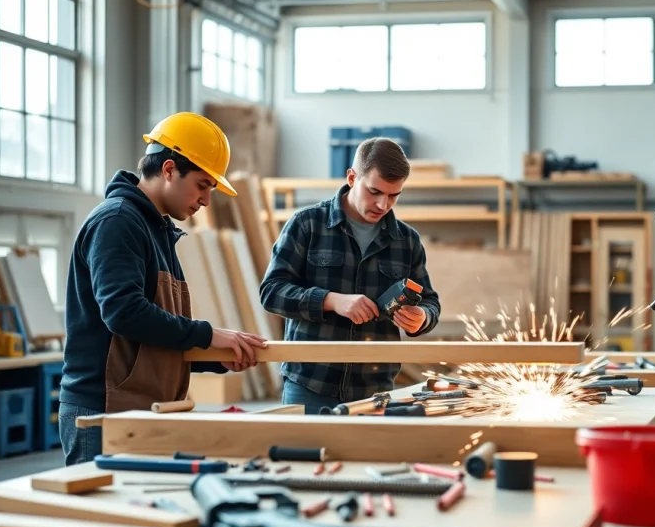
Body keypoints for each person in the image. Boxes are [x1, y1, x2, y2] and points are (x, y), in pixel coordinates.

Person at [59, 112, 268, 465]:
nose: (205, 200)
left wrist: (213, 357)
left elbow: (150, 339)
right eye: (202, 185)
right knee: (107, 518)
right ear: (169, 169)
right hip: (103, 410)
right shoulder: (117, 222)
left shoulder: (157, 230)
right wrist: (206, 335)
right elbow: (124, 315)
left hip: (143, 405)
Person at [259, 137, 441, 412]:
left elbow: (430, 302)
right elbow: (272, 293)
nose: (383, 205)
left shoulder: (407, 241)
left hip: (375, 391)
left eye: (393, 195)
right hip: (310, 383)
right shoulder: (307, 224)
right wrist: (331, 301)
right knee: (303, 455)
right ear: (352, 177)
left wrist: (422, 318)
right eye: (374, 191)